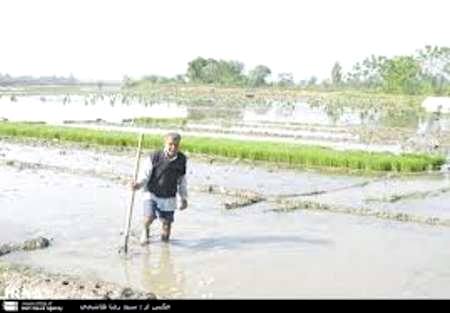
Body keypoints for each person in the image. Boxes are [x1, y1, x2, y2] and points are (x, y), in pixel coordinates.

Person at [131, 132, 188, 244]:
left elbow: (182, 181)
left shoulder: (182, 160)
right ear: (165, 143)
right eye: (170, 144)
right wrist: (138, 185)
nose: (173, 147)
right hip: (152, 193)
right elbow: (145, 175)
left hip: (169, 196)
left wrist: (183, 198)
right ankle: (145, 230)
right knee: (149, 217)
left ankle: (165, 250)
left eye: (176, 145)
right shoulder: (155, 156)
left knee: (166, 228)